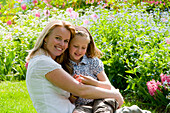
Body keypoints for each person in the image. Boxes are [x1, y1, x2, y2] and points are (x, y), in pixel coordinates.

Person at [25, 20, 124, 113]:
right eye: (57, 38)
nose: (62, 44)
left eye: (66, 41)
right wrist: (114, 94)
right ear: (46, 38)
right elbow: (80, 90)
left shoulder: (45, 60)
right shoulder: (43, 62)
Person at [64, 26, 119, 113]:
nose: (79, 51)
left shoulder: (93, 62)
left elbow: (108, 86)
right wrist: (75, 93)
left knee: (103, 110)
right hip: (81, 105)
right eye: (75, 46)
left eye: (83, 48)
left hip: (101, 99)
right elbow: (70, 100)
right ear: (68, 45)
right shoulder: (64, 66)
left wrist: (92, 82)